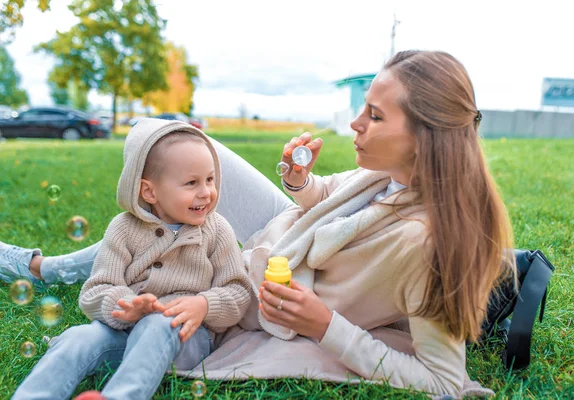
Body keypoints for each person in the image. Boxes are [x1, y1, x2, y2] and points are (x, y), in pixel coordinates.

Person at [2, 50, 514, 398]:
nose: (356, 124)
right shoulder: (390, 175)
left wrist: (324, 326)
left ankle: (42, 269)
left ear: (425, 138)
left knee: (184, 207)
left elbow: (446, 383)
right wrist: (300, 182)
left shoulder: (428, 244)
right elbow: (329, 197)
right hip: (281, 233)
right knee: (157, 137)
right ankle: (50, 267)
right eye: (363, 109)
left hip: (257, 277)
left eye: (375, 117)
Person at [11, 119, 252, 400]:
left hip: (184, 339)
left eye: (210, 179)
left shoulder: (217, 229)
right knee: (79, 337)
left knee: (158, 324)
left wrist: (204, 304)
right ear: (149, 191)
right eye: (191, 183)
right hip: (122, 336)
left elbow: (238, 291)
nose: (206, 192)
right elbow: (95, 291)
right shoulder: (124, 228)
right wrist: (124, 307)